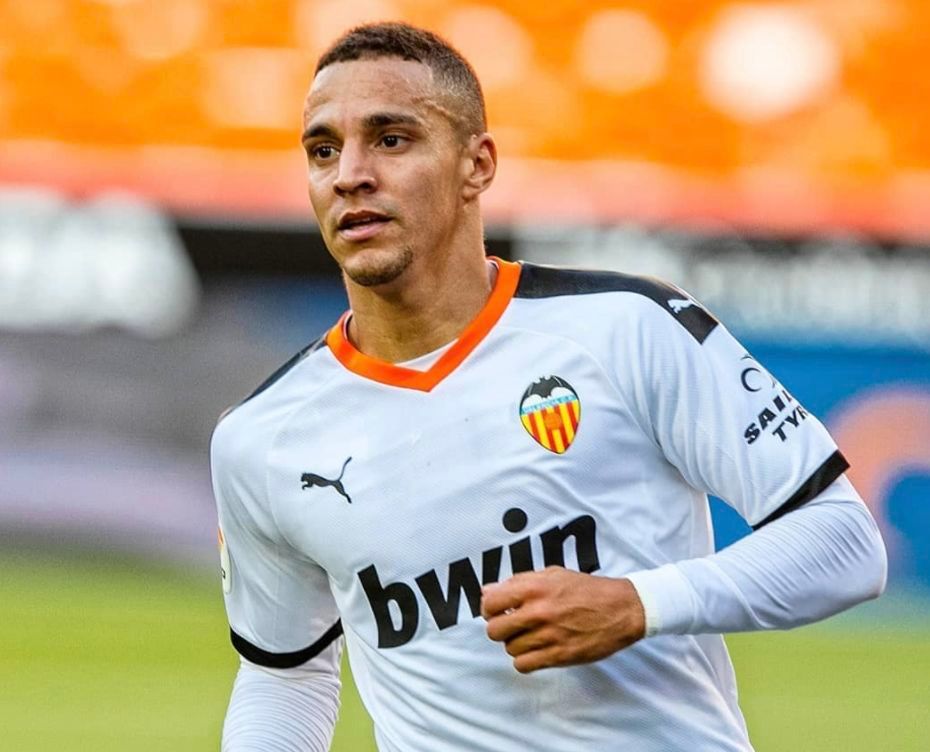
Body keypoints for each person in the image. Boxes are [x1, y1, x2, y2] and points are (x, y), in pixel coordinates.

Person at [210, 22, 887, 752]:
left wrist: (639, 603)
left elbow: (846, 542)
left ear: (478, 164)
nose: (350, 174)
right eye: (322, 150)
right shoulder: (262, 440)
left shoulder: (629, 328)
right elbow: (285, 673)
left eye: (392, 139)